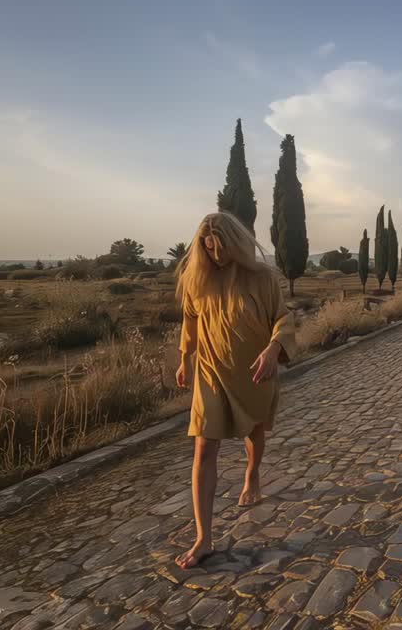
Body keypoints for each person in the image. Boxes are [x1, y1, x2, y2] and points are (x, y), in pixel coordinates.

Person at [172, 211, 295, 569]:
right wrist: (185, 359)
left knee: (254, 431)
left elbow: (283, 318)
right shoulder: (198, 279)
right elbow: (190, 320)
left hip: (253, 371)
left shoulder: (263, 277)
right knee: (203, 448)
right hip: (211, 373)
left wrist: (274, 349)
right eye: (208, 249)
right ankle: (204, 537)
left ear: (236, 243)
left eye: (221, 248)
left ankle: (252, 473)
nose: (216, 256)